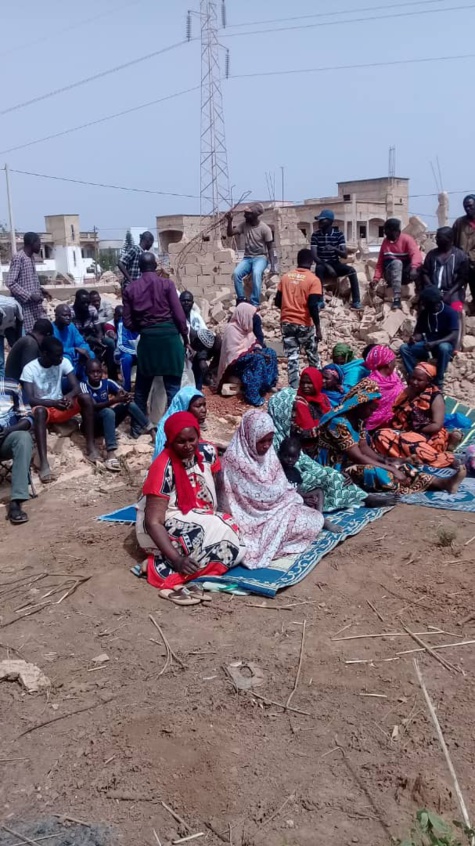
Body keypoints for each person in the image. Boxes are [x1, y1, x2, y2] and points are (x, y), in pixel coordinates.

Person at [135, 411, 245, 605]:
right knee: (210, 533)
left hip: (197, 513)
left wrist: (223, 512)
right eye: (180, 442)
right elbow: (153, 522)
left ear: (198, 436)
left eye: (191, 440)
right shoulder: (163, 467)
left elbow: (219, 484)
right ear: (170, 441)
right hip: (164, 521)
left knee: (232, 533)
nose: (188, 446)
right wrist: (177, 559)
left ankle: (187, 569)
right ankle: (162, 567)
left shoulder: (207, 451)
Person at [317, 378, 466, 494]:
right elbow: (358, 457)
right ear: (360, 403)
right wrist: (390, 469)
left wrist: (390, 462)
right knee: (374, 470)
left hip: (349, 462)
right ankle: (409, 484)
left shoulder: (358, 421)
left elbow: (365, 448)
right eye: (370, 408)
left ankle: (441, 483)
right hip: (334, 468)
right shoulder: (339, 423)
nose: (371, 413)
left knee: (399, 465)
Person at [220, 410, 324, 570]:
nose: (267, 446)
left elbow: (280, 485)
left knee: (315, 519)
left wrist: (292, 498)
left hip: (276, 511)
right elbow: (258, 497)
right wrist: (290, 499)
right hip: (249, 520)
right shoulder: (235, 460)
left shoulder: (269, 455)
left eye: (270, 440)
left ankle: (278, 542)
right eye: (262, 441)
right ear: (249, 436)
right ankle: (273, 545)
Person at [268, 387, 395, 509]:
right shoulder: (270, 439)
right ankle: (363, 498)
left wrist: (331, 472)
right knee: (327, 478)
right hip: (285, 481)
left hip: (299, 472)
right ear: (280, 411)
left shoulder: (287, 433)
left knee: (331, 474)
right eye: (292, 412)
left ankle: (363, 497)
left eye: (294, 411)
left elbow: (304, 461)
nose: (295, 416)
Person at [21, 337, 98, 482]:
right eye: (57, 355)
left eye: (61, 354)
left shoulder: (64, 362)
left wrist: (68, 397)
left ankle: (90, 445)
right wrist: (52, 402)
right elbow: (30, 399)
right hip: (44, 409)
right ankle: (44, 463)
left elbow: (76, 387)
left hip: (61, 406)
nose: (61, 358)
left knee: (86, 398)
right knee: (39, 411)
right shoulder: (29, 369)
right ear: (44, 353)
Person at [122, 252, 188, 418]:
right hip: (170, 341)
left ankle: (138, 427)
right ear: (156, 266)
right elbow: (180, 316)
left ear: (139, 267)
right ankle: (175, 426)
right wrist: (185, 338)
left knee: (141, 390)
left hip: (148, 343)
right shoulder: (167, 284)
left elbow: (128, 322)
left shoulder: (130, 289)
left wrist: (144, 327)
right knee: (173, 389)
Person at [371, 362, 458, 470]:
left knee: (407, 441)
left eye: (419, 380)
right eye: (413, 378)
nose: (414, 382)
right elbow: (397, 412)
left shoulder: (436, 397)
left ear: (428, 381)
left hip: (430, 435)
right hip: (407, 432)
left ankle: (445, 458)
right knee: (380, 435)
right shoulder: (408, 391)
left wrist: (414, 430)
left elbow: (436, 426)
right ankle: (411, 459)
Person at [80, 359, 153, 472]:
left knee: (129, 404)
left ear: (102, 372)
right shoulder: (84, 386)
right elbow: (93, 407)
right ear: (86, 373)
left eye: (98, 371)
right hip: (92, 425)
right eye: (92, 372)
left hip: (107, 422)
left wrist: (124, 396)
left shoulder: (107, 383)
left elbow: (121, 392)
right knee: (108, 411)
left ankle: (153, 433)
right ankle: (111, 454)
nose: (96, 375)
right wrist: (114, 401)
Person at [275, 248, 322, 387]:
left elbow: (278, 301)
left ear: (297, 260)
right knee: (312, 355)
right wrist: (318, 328)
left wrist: (289, 309)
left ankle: (294, 389)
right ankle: (316, 385)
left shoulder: (285, 277)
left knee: (292, 357)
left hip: (286, 322)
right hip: (304, 323)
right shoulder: (313, 280)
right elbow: (313, 305)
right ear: (312, 262)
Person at [217, 303, 278, 406]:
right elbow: (233, 353)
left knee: (271, 353)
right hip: (235, 363)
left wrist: (259, 351)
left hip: (246, 356)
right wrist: (256, 353)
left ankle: (266, 385)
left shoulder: (245, 328)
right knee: (257, 359)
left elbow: (253, 343)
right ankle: (252, 396)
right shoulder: (231, 329)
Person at [399, 286, 459, 388]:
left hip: (443, 344)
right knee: (404, 348)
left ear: (435, 305)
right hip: (427, 345)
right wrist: (415, 338)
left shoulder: (450, 312)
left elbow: (454, 335)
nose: (424, 306)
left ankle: (438, 381)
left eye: (426, 304)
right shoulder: (425, 313)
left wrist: (436, 343)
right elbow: (419, 332)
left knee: (443, 348)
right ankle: (416, 375)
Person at [310, 210, 362, 309]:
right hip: (322, 264)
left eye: (322, 220)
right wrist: (328, 267)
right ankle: (320, 300)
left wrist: (334, 248)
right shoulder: (315, 235)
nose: (319, 223)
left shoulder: (339, 235)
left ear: (330, 222)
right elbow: (314, 256)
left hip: (335, 263)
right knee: (319, 269)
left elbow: (344, 255)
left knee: (352, 271)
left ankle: (356, 301)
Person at [0, 376, 34, 524]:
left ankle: (16, 501)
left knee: (23, 437)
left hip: (5, 439)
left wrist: (9, 430)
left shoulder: (11, 384)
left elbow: (28, 418)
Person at [227, 204, 276, 306]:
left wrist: (272, 267)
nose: (245, 216)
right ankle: (241, 299)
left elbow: (270, 248)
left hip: (261, 258)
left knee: (256, 273)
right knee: (236, 274)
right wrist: (230, 221)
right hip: (247, 258)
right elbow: (230, 233)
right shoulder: (244, 225)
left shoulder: (265, 229)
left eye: (247, 214)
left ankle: (255, 302)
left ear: (254, 215)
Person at [371, 218, 422, 310]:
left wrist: (414, 268)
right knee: (396, 263)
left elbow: (416, 255)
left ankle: (420, 295)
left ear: (395, 231)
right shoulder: (385, 243)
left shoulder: (407, 239)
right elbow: (380, 263)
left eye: (386, 231)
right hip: (390, 274)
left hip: (404, 274)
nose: (385, 233)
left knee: (419, 267)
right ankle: (397, 298)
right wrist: (376, 279)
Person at [6, 232, 48, 332]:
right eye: (39, 243)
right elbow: (10, 282)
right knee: (30, 336)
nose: (40, 246)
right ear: (32, 243)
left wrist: (40, 290)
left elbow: (30, 280)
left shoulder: (31, 258)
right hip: (24, 308)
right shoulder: (19, 258)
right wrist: (29, 295)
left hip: (35, 306)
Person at [152, 386, 206, 460]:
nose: (204, 410)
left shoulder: (189, 426)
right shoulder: (171, 428)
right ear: (185, 407)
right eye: (198, 406)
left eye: (204, 405)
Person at [421, 227, 469, 307]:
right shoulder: (431, 255)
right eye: (437, 237)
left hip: (454, 291)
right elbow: (425, 273)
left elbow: (463, 279)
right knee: (426, 308)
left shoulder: (461, 256)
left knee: (456, 309)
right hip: (433, 289)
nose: (436, 240)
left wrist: (449, 293)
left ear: (449, 240)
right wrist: (432, 288)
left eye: (439, 238)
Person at [291, 368, 331, 459]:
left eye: (309, 383)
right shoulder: (300, 402)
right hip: (310, 448)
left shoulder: (323, 398)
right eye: (303, 383)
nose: (305, 386)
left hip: (325, 440)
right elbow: (308, 432)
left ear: (317, 383)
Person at [363, 345, 405, 431]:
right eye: (394, 361)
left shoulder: (394, 377)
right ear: (389, 364)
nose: (395, 364)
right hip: (376, 426)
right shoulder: (371, 383)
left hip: (397, 420)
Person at [53, 304, 95, 376]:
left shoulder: (71, 326)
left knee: (90, 354)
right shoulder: (51, 329)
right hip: (61, 357)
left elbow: (81, 342)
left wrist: (83, 350)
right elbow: (55, 350)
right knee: (66, 359)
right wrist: (74, 350)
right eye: (65, 315)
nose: (68, 318)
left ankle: (86, 381)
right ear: (56, 316)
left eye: (69, 315)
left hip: (75, 355)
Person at [452, 195, 475, 311]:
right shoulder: (459, 222)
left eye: (470, 206)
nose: (468, 209)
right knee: (457, 292)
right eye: (465, 207)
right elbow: (452, 242)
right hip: (461, 263)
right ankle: (458, 313)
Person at [89, 290, 118, 379]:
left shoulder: (106, 304)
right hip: (91, 334)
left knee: (111, 342)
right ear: (90, 301)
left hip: (105, 333)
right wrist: (100, 321)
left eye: (98, 300)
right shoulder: (88, 307)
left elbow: (110, 317)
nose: (97, 303)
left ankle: (112, 374)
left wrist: (96, 320)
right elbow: (89, 324)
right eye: (94, 301)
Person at [0, 295, 23, 378]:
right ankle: (2, 385)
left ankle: (20, 378)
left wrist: (19, 341)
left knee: (21, 352)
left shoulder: (11, 305)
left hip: (11, 325)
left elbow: (20, 320)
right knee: (0, 361)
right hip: (2, 329)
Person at [116, 315, 138, 392]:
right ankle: (126, 387)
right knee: (126, 358)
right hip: (126, 353)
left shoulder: (145, 319)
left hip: (141, 353)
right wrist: (138, 353)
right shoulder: (123, 322)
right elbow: (121, 345)